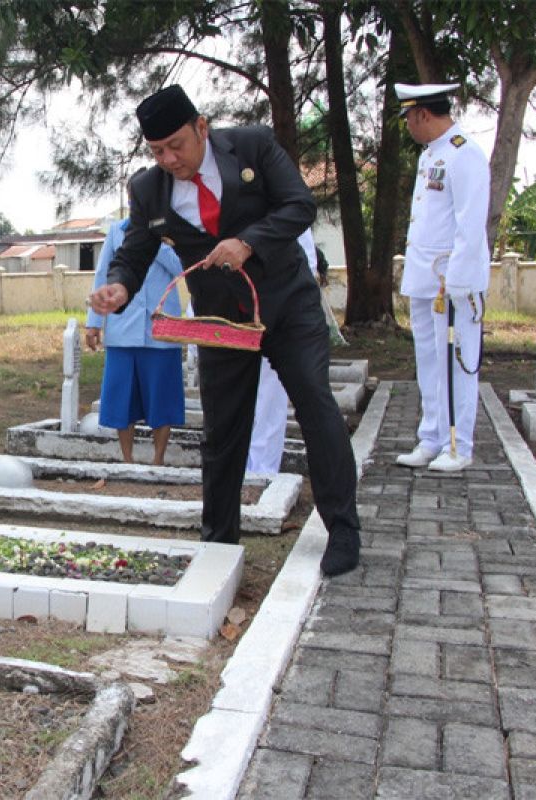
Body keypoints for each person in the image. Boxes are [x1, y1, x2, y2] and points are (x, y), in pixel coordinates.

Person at [89, 85, 361, 577]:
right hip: (221, 321)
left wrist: (248, 243)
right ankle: (218, 543)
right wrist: (118, 289)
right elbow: (133, 254)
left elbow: (299, 205)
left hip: (286, 304)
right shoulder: (149, 189)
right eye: (156, 151)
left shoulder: (253, 146)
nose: (168, 158)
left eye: (176, 145)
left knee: (316, 404)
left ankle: (342, 529)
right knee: (223, 431)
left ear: (202, 127)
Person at [393, 82, 489, 473]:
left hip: (452, 283)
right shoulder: (431, 155)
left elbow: (470, 223)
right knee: (429, 362)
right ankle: (431, 438)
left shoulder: (464, 154)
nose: (409, 127)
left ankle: (458, 445)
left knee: (456, 363)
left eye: (409, 119)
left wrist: (459, 282)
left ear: (422, 114)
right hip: (425, 279)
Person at [85, 179, 185, 466]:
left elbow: (183, 269)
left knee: (162, 398)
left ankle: (158, 459)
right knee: (121, 398)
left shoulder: (174, 232)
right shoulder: (117, 232)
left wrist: (159, 242)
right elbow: (103, 275)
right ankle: (127, 459)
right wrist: (94, 322)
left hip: (160, 329)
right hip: (123, 327)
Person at [246, 229, 320, 477]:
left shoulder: (284, 204)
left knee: (269, 398)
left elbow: (306, 262)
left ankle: (262, 469)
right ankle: (240, 466)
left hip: (277, 317)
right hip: (235, 316)